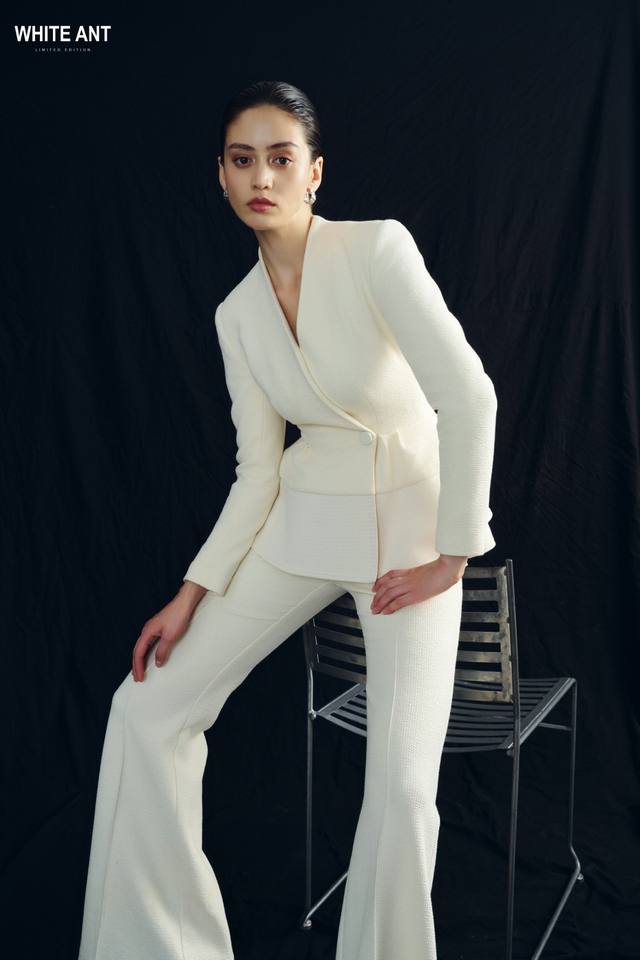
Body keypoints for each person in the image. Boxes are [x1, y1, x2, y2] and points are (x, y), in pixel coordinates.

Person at [78, 79, 498, 960]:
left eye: (280, 158)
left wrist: (455, 553)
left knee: (400, 793)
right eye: (243, 160)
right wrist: (192, 592)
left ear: (314, 173)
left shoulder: (377, 249)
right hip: (302, 525)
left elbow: (469, 396)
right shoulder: (236, 314)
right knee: (145, 709)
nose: (260, 177)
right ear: (222, 176)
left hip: (411, 541)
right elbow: (259, 473)